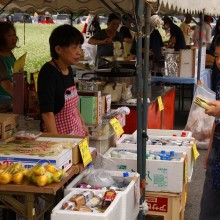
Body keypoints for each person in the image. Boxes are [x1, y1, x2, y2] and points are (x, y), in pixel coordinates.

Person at [37, 24, 88, 136]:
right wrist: (57, 142)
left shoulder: (68, 68)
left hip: (75, 133)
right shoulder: (48, 73)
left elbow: (74, 108)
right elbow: (47, 113)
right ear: (58, 49)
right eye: (74, 48)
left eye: (80, 47)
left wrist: (83, 126)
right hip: (60, 137)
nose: (79, 52)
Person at [199, 35, 220, 220]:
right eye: (217, 56)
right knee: (208, 210)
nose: (219, 62)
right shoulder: (218, 80)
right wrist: (209, 150)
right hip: (217, 151)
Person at [0, 22, 18, 98]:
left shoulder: (10, 54)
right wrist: (20, 98)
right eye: (9, 35)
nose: (13, 38)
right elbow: (5, 84)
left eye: (14, 34)